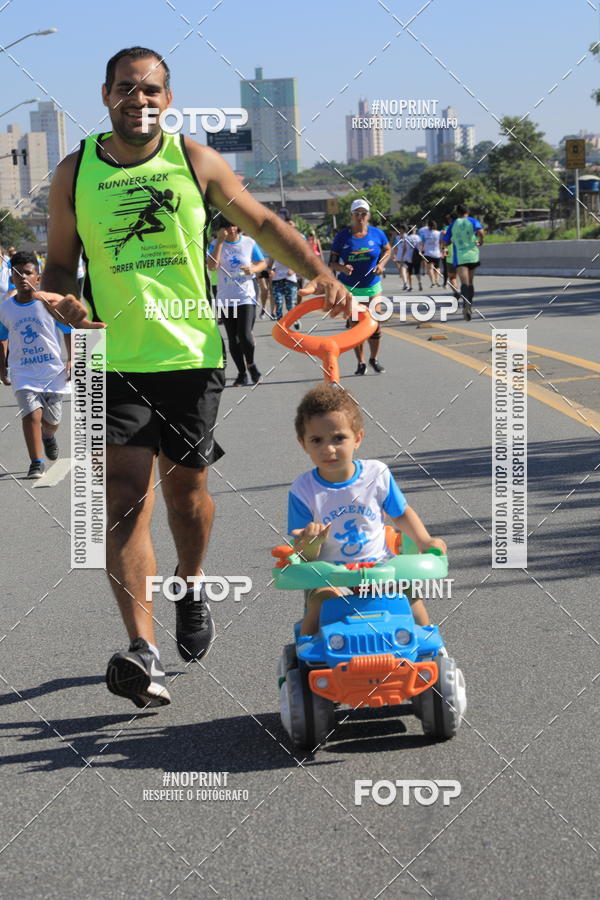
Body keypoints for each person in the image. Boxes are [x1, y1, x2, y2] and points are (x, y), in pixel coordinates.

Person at [36, 46, 351, 709]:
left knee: (187, 498)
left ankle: (192, 580)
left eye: (150, 90)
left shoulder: (193, 161)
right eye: (126, 88)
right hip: (109, 356)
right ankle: (141, 650)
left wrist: (320, 274)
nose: (138, 99)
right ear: (105, 95)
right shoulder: (74, 171)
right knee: (123, 499)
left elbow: (262, 223)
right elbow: (59, 266)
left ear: (167, 100)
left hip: (189, 356)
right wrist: (65, 302)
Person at [288, 383, 447, 645]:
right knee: (321, 602)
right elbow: (302, 555)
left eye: (338, 438)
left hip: (380, 567)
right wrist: (310, 542)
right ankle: (306, 657)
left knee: (407, 593)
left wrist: (424, 541)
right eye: (317, 440)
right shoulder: (303, 490)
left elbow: (401, 513)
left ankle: (430, 647)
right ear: (303, 443)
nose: (329, 449)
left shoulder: (377, 474)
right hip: (331, 574)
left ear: (357, 438)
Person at [0, 251, 71, 479]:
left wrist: (72, 359)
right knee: (31, 414)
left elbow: (69, 330)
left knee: (52, 422)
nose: (22, 277)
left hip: (52, 371)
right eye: (17, 273)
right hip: (23, 371)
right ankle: (36, 462)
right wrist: (2, 368)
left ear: (37, 277)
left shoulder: (50, 304)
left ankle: (48, 436)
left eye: (28, 272)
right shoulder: (5, 309)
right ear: (11, 277)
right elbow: (2, 338)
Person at [329, 199, 390, 375]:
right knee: (356, 326)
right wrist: (342, 268)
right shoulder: (342, 237)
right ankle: (361, 362)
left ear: (368, 215)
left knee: (375, 324)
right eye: (357, 214)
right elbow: (332, 262)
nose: (360, 217)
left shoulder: (377, 234)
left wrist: (381, 264)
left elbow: (387, 250)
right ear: (351, 216)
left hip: (372, 286)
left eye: (363, 213)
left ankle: (374, 358)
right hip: (350, 288)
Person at [208, 216, 266, 386]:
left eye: (233, 225)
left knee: (245, 336)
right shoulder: (216, 244)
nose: (231, 229)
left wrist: (253, 269)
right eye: (226, 226)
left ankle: (251, 365)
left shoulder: (248, 242)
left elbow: (262, 263)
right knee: (233, 339)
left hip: (245, 297)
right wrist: (219, 242)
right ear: (220, 228)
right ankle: (241, 373)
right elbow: (212, 266)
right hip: (226, 298)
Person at [442, 204, 484, 320]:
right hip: (473, 256)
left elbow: (445, 241)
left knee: (464, 283)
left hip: (460, 257)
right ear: (468, 211)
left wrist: (450, 243)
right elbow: (480, 231)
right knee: (470, 282)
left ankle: (466, 305)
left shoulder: (453, 224)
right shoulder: (472, 221)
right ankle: (469, 304)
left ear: (457, 212)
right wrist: (481, 241)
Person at [419, 219, 442, 288]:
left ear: (428, 226)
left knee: (429, 268)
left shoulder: (424, 234)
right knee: (437, 268)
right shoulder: (438, 233)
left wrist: (421, 250)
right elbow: (441, 243)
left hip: (428, 253)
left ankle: (432, 282)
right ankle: (437, 280)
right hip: (437, 253)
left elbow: (422, 244)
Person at [393, 225, 410, 290]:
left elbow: (406, 247)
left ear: (403, 229)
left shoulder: (407, 237)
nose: (399, 230)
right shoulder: (397, 237)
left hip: (406, 256)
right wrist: (395, 254)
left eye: (400, 229)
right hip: (399, 256)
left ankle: (406, 283)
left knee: (403, 268)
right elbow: (395, 247)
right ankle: (406, 283)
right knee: (403, 269)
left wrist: (403, 256)